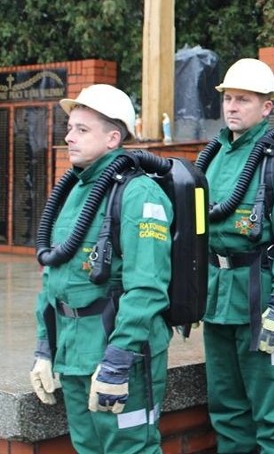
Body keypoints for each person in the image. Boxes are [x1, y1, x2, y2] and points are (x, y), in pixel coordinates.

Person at [31, 84, 173, 453]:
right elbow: (54, 274)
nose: (69, 137)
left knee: (131, 448)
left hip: (118, 352)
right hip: (75, 353)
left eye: (82, 129)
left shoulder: (139, 194)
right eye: (69, 127)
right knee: (88, 448)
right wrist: (45, 348)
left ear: (113, 138)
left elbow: (148, 287)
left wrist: (118, 359)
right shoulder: (75, 190)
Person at [202, 58, 274, 453]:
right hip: (219, 303)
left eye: (244, 100)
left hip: (264, 305)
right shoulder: (214, 156)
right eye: (228, 98)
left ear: (267, 107)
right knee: (228, 412)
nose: (232, 107)